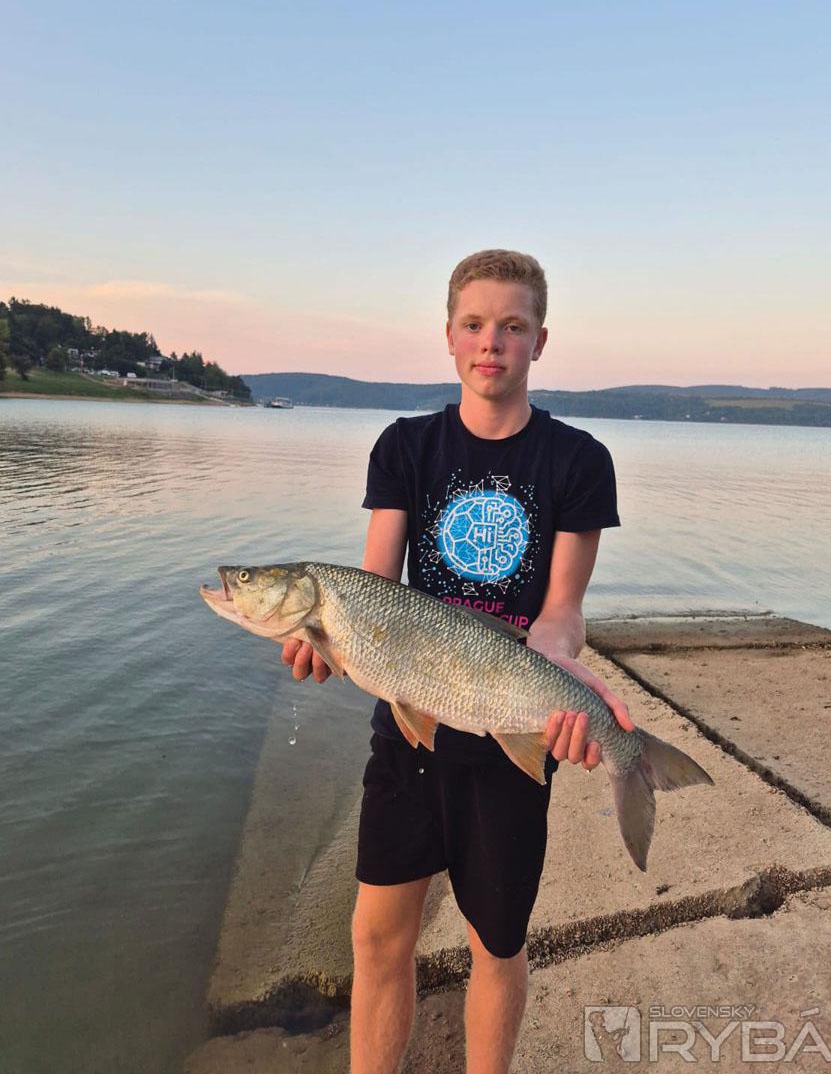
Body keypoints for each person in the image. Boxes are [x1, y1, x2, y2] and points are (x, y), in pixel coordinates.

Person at [281, 249, 634, 1074]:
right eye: (474, 324)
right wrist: (327, 640)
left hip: (511, 729)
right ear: (448, 336)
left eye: (512, 326)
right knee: (377, 937)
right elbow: (372, 591)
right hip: (411, 728)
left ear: (540, 340)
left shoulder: (578, 460)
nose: (491, 342)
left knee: (496, 945)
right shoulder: (405, 447)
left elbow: (561, 611)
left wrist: (561, 669)